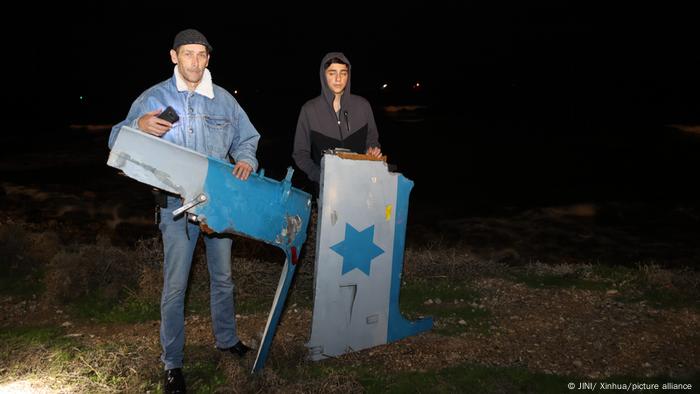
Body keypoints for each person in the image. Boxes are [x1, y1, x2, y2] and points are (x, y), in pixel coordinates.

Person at [108, 28, 257, 394]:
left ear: (208, 59)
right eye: (188, 54)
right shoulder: (154, 97)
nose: (195, 61)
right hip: (174, 207)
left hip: (217, 203)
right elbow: (115, 140)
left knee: (223, 279)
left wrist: (246, 159)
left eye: (201, 54)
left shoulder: (223, 101)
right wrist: (137, 126)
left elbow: (248, 138)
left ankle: (226, 340)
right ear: (174, 56)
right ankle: (172, 363)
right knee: (175, 287)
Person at [293, 52, 382, 195]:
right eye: (332, 73)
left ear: (349, 75)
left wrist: (371, 151)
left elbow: (372, 140)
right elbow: (300, 154)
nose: (338, 79)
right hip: (326, 190)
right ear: (323, 75)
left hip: (361, 185)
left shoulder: (363, 106)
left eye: (343, 73)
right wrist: (320, 176)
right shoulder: (309, 110)